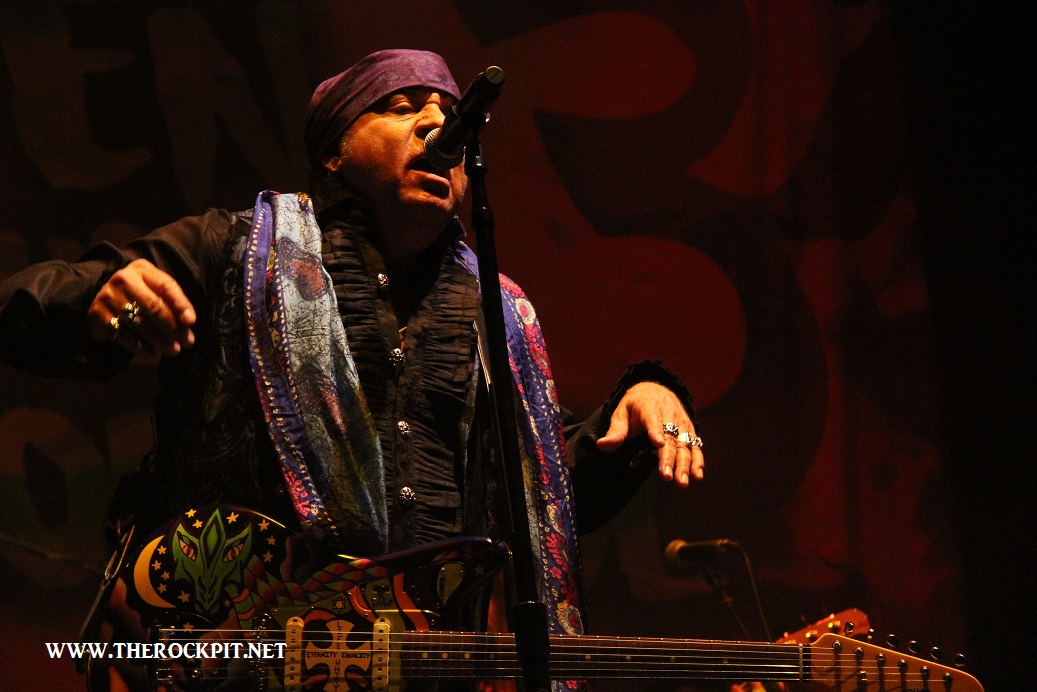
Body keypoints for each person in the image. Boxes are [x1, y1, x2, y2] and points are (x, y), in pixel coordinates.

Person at [0, 49, 703, 689]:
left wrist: (637, 408)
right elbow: (24, 302)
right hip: (228, 656)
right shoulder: (236, 250)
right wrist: (97, 298)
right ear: (334, 151)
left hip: (414, 667)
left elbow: (534, 502)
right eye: (401, 108)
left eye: (449, 115)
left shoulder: (497, 313)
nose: (437, 125)